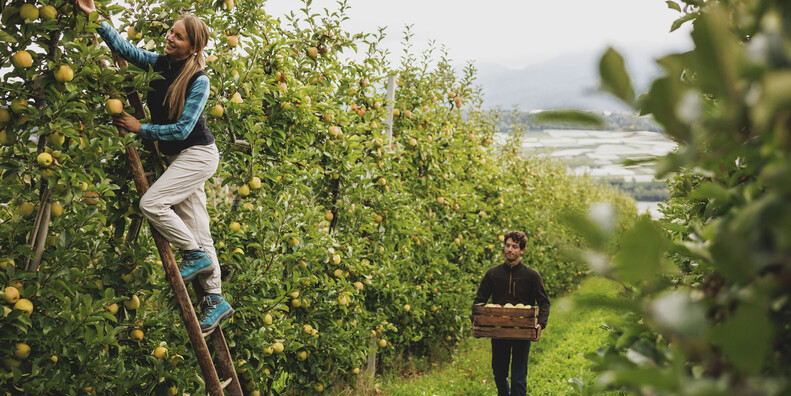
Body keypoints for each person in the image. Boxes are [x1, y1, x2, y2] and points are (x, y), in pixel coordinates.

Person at [76, 0, 234, 333]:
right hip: (180, 158)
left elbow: (183, 129)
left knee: (152, 203)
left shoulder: (199, 80)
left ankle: (193, 255)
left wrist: (141, 128)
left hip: (198, 154)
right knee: (199, 228)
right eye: (171, 32)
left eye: (178, 36)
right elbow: (125, 49)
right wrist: (93, 16)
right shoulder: (161, 64)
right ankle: (215, 297)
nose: (170, 38)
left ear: (193, 47)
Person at [473, 231, 550, 396]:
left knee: (518, 379)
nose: (509, 249)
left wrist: (540, 324)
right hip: (499, 331)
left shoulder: (532, 276)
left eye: (514, 247)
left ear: (522, 250)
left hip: (522, 331)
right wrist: (476, 320)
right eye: (507, 245)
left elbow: (544, 303)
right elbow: (479, 300)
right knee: (499, 374)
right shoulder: (493, 274)